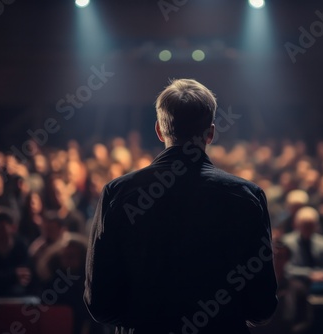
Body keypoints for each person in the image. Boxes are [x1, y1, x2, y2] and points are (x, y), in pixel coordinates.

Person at [84, 79, 277, 334]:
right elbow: (261, 305)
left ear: (159, 130)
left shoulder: (119, 194)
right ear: (210, 133)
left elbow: (100, 302)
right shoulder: (247, 196)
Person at [282, 206, 323, 294]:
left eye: (310, 225)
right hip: (297, 282)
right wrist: (309, 274)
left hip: (322, 281)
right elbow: (286, 268)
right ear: (297, 224)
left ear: (316, 225)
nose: (307, 229)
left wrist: (322, 275)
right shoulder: (287, 242)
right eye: (304, 225)